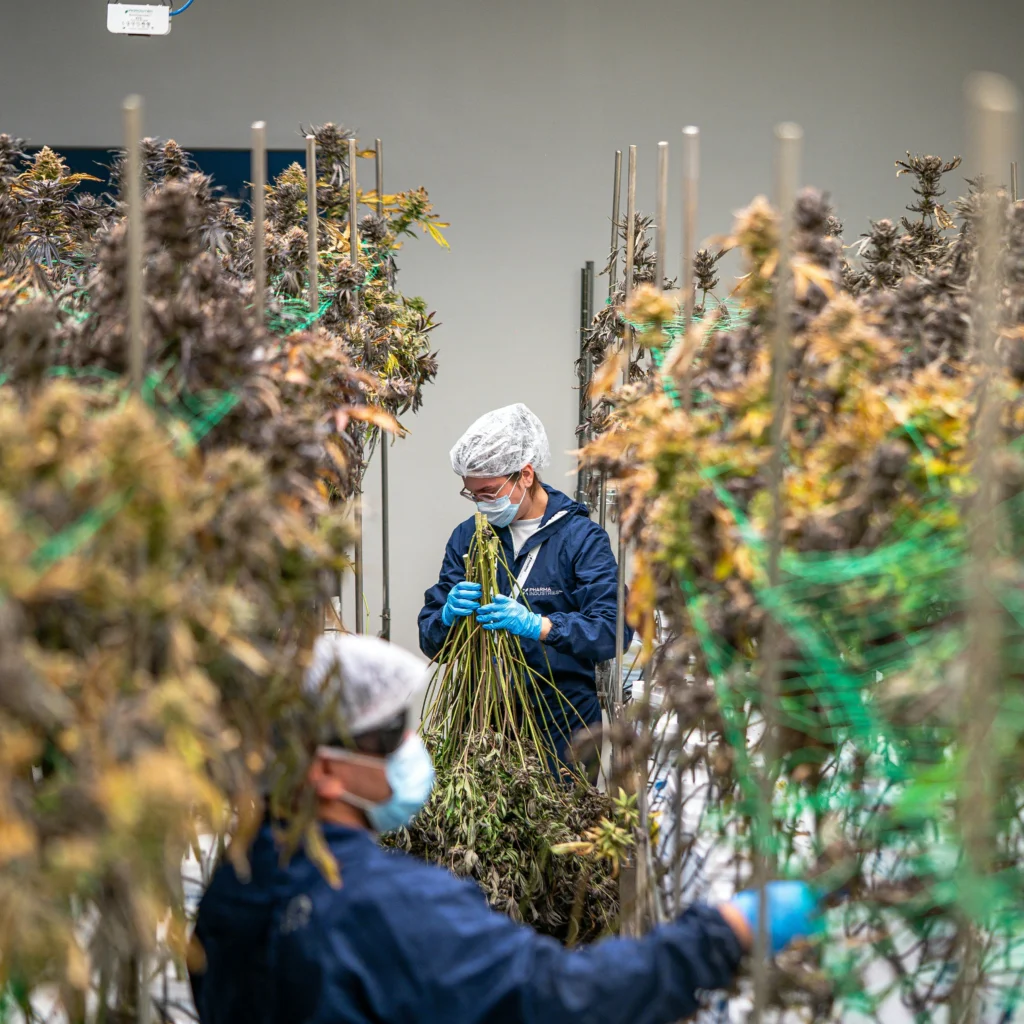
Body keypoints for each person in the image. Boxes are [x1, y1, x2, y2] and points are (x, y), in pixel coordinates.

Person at [189, 633, 821, 1024]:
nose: (410, 744)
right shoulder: (390, 906)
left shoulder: (234, 888)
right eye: (386, 736)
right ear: (325, 772)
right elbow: (558, 1001)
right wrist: (724, 933)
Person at [418, 403, 629, 773]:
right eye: (473, 495)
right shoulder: (470, 538)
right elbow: (433, 642)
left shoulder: (580, 539)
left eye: (488, 492)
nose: (482, 504)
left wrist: (540, 627)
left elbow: (614, 631)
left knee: (560, 824)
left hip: (563, 721)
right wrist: (446, 617)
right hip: (485, 718)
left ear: (526, 475)